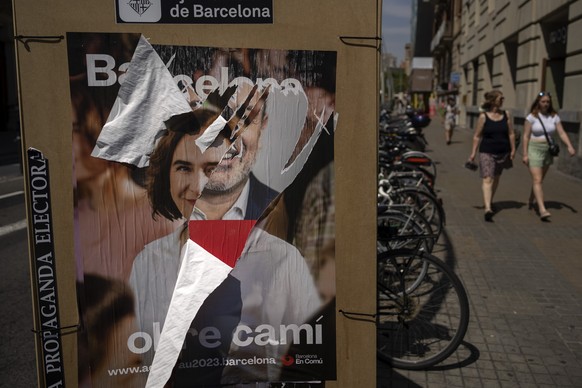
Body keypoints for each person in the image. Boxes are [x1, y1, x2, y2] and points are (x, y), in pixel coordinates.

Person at [522, 91, 576, 221]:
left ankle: (531, 199)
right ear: (538, 102)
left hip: (548, 150)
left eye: (547, 102)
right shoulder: (531, 117)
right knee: (537, 180)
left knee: (539, 179)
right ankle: (542, 209)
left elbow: (561, 132)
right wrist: (525, 154)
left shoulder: (554, 116)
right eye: (543, 101)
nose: (546, 104)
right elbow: (526, 136)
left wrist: (569, 145)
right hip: (534, 149)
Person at [468, 90, 516, 222]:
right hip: (486, 151)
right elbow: (477, 136)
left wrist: (513, 149)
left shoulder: (507, 115)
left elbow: (511, 133)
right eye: (501, 98)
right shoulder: (483, 116)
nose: (503, 100)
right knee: (487, 178)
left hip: (503, 152)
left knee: (496, 178)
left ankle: (489, 200)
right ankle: (488, 208)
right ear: (493, 100)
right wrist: (473, 153)